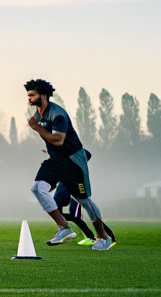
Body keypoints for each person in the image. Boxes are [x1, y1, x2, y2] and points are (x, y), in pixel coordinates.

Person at [23, 80, 111, 250]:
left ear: (43, 95)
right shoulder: (39, 113)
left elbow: (58, 140)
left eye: (32, 95)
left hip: (73, 161)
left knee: (83, 200)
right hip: (56, 160)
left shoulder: (58, 114)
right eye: (28, 95)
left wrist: (35, 127)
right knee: (37, 187)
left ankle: (103, 237)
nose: (29, 98)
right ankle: (64, 227)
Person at [53, 180, 117, 246]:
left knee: (76, 217)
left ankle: (97, 237)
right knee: (75, 217)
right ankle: (98, 236)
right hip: (73, 194)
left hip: (76, 194)